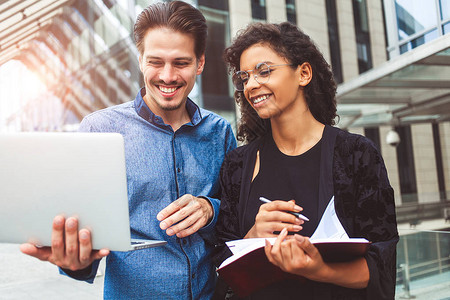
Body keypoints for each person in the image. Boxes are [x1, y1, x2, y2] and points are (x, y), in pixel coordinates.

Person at [20, 1, 236, 299]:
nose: (168, 76)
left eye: (181, 63)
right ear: (140, 59)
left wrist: (211, 209)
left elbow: (236, 221)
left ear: (200, 63)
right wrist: (75, 261)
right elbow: (82, 230)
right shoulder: (99, 130)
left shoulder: (220, 132)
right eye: (156, 62)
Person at [213, 22, 398, 299]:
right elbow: (222, 267)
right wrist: (252, 236)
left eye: (264, 71)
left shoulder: (356, 155)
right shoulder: (236, 165)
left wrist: (318, 268)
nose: (251, 85)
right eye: (244, 77)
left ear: (304, 73)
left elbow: (381, 267)